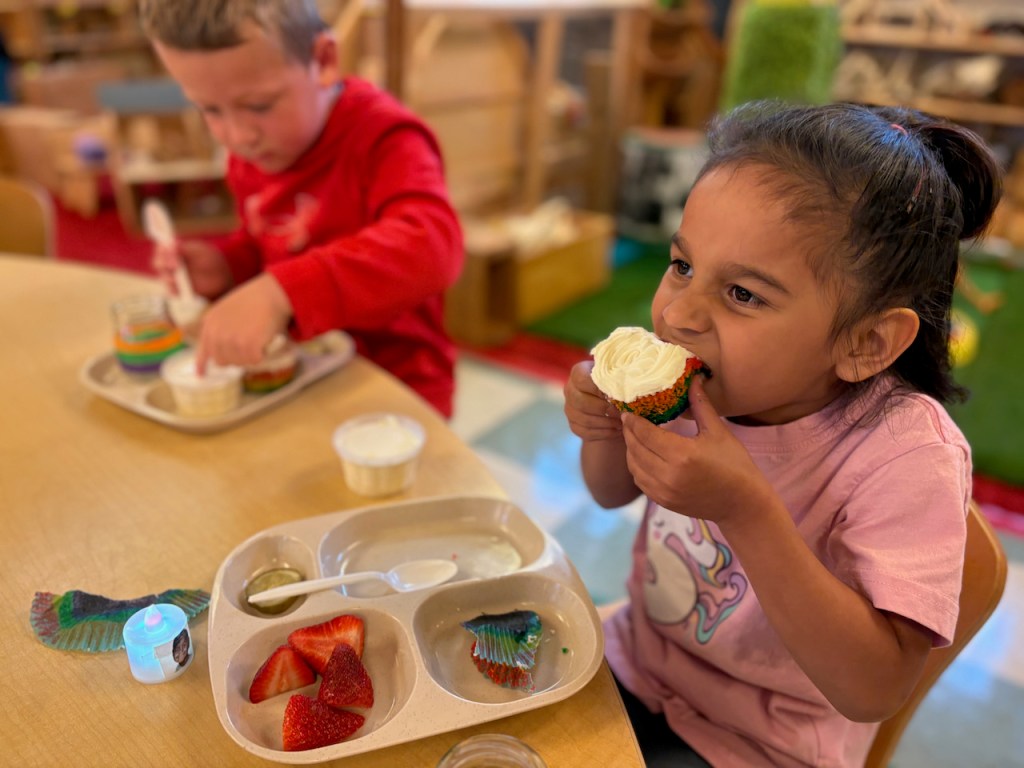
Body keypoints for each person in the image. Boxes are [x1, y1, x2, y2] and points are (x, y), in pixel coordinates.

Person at [564, 100, 1001, 767]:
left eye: (743, 294)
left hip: (760, 744)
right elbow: (610, 492)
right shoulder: (700, 381)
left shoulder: (906, 457)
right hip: (636, 665)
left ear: (865, 343)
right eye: (682, 266)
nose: (679, 315)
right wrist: (604, 428)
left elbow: (874, 689)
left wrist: (745, 510)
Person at [136, 0, 464, 417]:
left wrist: (282, 293)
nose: (237, 136)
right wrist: (227, 266)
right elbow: (268, 243)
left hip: (399, 388)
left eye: (259, 105)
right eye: (210, 109)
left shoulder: (385, 138)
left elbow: (433, 245)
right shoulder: (254, 154)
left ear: (323, 60)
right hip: (300, 378)